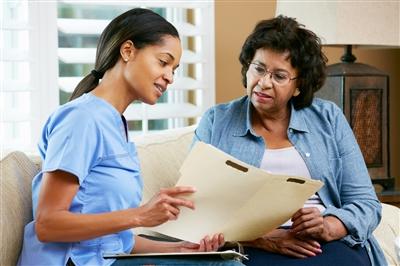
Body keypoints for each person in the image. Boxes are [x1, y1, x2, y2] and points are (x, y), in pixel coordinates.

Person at [17, 8, 243, 266]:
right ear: (127, 51)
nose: (170, 77)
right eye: (163, 62)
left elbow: (116, 242)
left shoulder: (116, 125)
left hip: (105, 259)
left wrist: (182, 249)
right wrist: (140, 216)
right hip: (71, 262)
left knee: (218, 261)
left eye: (174, 68)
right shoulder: (82, 119)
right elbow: (48, 224)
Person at [193, 15, 387, 266]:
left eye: (279, 76)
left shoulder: (328, 118)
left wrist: (328, 226)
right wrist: (264, 238)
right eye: (259, 69)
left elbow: (367, 204)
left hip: (322, 243)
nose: (263, 83)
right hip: (248, 247)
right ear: (247, 67)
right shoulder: (216, 121)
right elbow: (195, 208)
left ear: (298, 85)